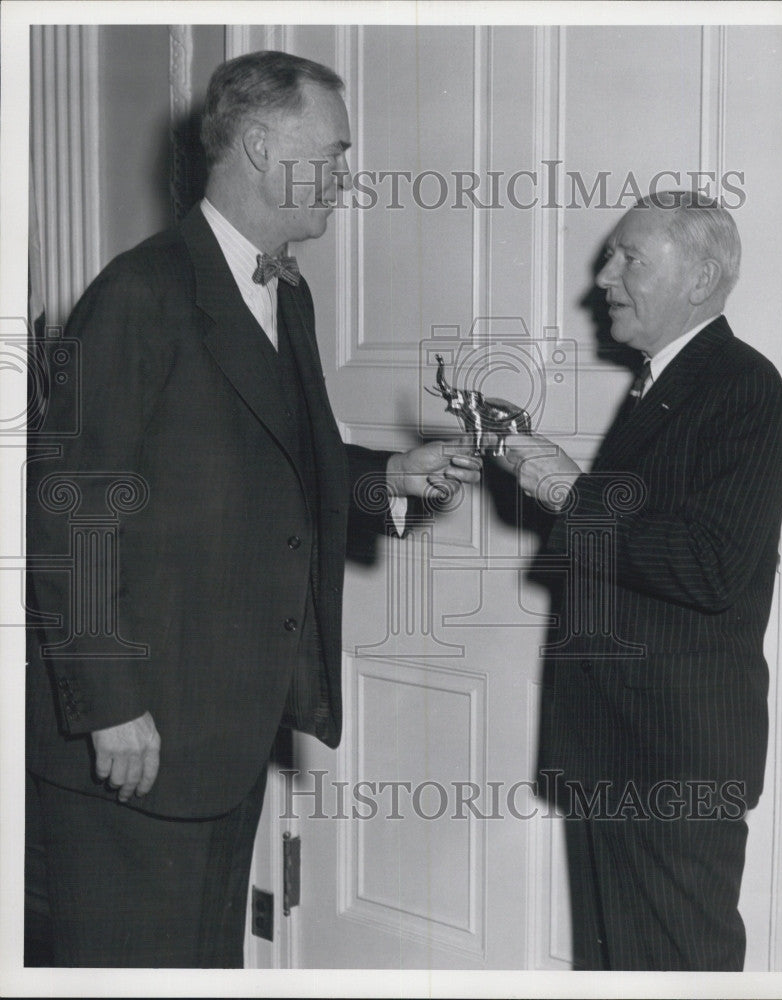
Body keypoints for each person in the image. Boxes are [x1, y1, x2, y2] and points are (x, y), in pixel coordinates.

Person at [25, 50, 481, 968]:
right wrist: (109, 704)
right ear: (266, 147)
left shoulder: (287, 293)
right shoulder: (141, 291)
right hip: (135, 741)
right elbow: (67, 510)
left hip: (222, 731)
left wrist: (389, 479)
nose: (349, 177)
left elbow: (281, 462)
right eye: (336, 151)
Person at [496, 192, 782, 970]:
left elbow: (709, 566)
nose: (604, 277)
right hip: (615, 745)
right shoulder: (662, 381)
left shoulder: (743, 386)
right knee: (616, 968)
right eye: (609, 255)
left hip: (673, 762)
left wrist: (565, 490)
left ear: (699, 279)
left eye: (629, 258)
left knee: (678, 969)